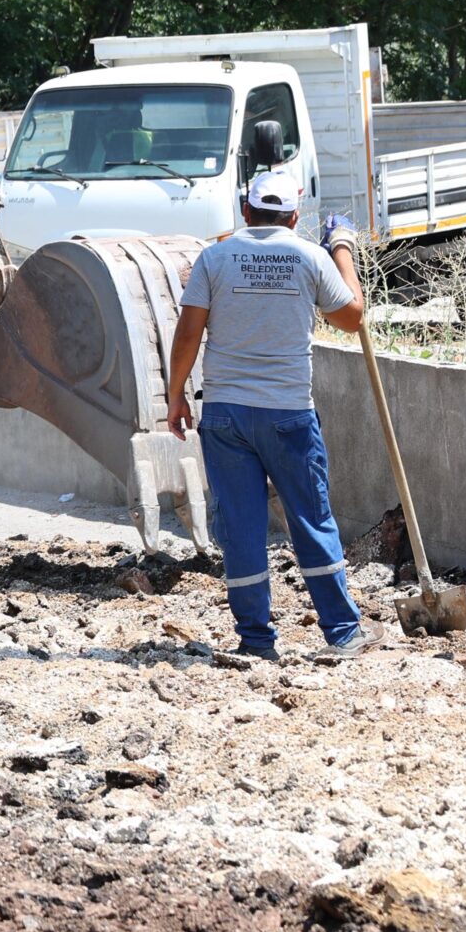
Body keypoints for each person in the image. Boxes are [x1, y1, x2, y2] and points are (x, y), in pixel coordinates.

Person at [164, 169, 371, 660]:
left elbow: (188, 333)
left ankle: (256, 639)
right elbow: (352, 317)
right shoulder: (309, 256)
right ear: (295, 216)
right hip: (288, 415)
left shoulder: (215, 257)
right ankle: (342, 632)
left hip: (225, 416)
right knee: (310, 518)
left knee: (241, 525)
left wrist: (175, 396)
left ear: (246, 211)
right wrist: (341, 246)